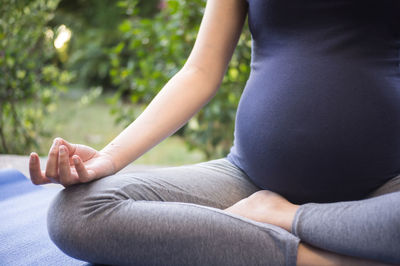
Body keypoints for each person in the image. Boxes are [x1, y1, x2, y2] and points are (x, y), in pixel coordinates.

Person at [29, 0, 400, 265]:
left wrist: (289, 217)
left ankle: (283, 218)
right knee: (76, 213)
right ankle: (326, 258)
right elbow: (200, 71)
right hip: (248, 179)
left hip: (384, 186)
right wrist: (110, 157)